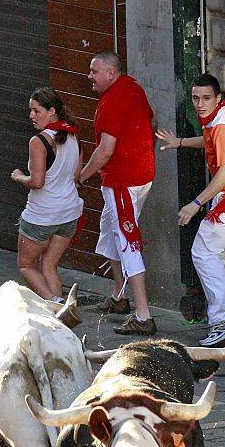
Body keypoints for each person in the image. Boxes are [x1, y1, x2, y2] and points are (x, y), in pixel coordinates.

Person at [156, 73, 225, 347]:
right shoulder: (219, 117)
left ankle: (221, 322)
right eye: (195, 98)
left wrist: (195, 204)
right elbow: (210, 142)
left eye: (206, 98)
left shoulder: (221, 125)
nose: (200, 104)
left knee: (203, 252)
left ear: (218, 98)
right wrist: (181, 142)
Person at [78, 51, 157, 335]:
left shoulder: (112, 100)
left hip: (123, 181)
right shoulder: (134, 88)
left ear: (111, 73)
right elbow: (152, 124)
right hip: (141, 176)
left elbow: (105, 150)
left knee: (127, 241)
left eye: (94, 71)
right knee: (109, 228)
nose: (89, 76)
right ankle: (119, 295)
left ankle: (144, 316)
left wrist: (80, 177)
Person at [10, 87, 83, 302]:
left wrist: (19, 177)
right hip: (69, 213)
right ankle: (60, 314)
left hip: (41, 215)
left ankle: (55, 302)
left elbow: (37, 182)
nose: (31, 115)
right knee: (49, 266)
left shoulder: (39, 141)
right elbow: (76, 176)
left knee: (26, 266)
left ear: (52, 111)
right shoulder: (74, 136)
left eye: (36, 110)